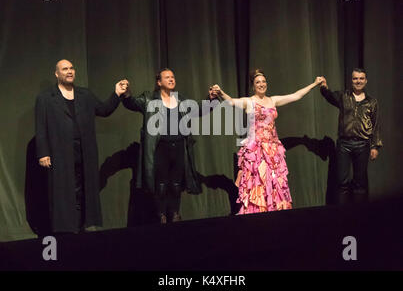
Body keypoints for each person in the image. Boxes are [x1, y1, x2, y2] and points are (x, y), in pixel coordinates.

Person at [211, 70, 324, 214]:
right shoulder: (249, 101)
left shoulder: (273, 100)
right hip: (256, 150)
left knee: (275, 183)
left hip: (273, 150)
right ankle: (258, 214)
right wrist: (220, 93)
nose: (261, 84)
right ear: (253, 86)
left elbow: (296, 96)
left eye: (263, 81)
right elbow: (232, 102)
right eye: (258, 82)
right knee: (258, 183)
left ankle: (274, 212)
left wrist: (314, 84)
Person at [35, 59, 128, 233]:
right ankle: (65, 229)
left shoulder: (85, 95)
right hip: (60, 152)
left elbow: (104, 110)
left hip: (84, 152)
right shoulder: (46, 98)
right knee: (64, 192)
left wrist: (116, 93)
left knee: (83, 189)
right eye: (65, 69)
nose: (69, 71)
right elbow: (41, 128)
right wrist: (43, 153)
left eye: (71, 68)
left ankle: (80, 226)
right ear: (57, 74)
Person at [121, 68, 218, 224]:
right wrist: (126, 93)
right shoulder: (149, 99)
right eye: (167, 77)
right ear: (159, 82)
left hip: (178, 146)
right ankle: (161, 215)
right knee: (161, 184)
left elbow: (199, 110)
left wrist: (211, 100)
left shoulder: (180, 100)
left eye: (172, 77)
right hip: (160, 148)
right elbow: (132, 103)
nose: (171, 79)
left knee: (176, 183)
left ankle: (174, 214)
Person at [319, 68, 382, 204]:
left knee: (360, 183)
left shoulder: (372, 102)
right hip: (344, 144)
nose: (358, 81)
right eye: (355, 78)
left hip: (363, 145)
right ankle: (343, 215)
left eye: (361, 78)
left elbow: (376, 124)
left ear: (365, 81)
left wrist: (375, 146)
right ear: (351, 80)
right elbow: (329, 95)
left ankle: (358, 215)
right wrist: (324, 86)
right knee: (342, 182)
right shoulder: (344, 96)